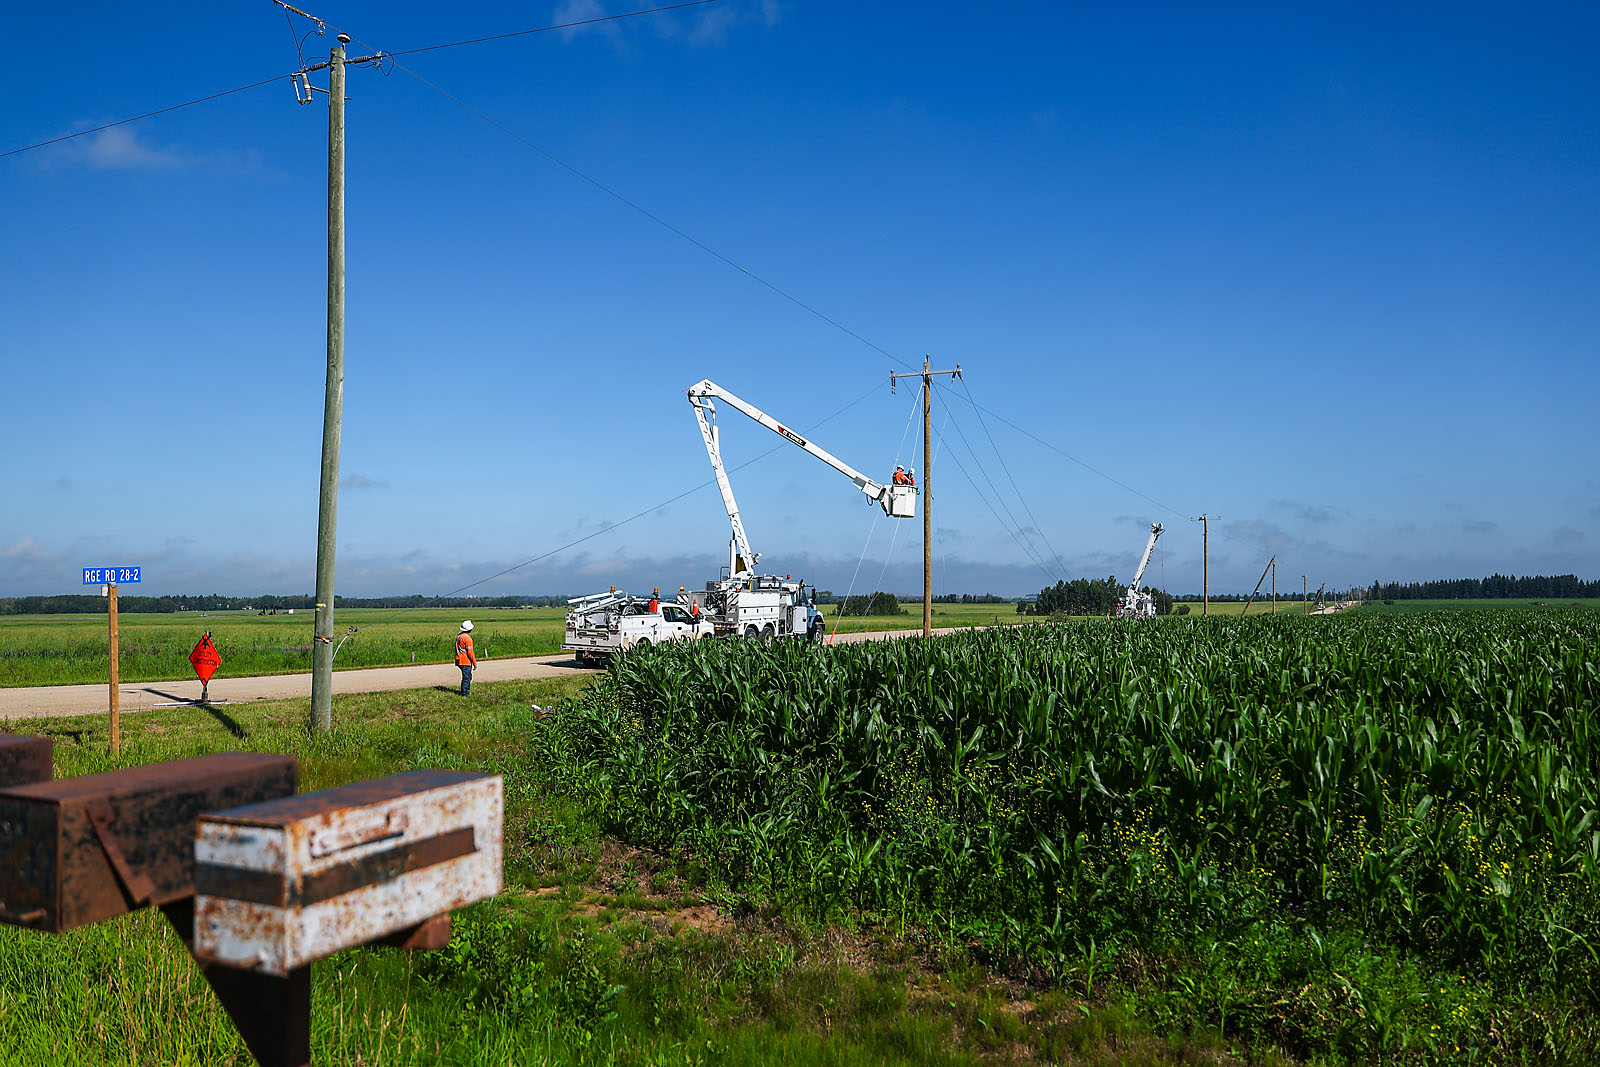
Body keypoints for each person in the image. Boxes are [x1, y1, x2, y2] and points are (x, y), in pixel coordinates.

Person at [454, 620, 477, 696]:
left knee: (467, 677)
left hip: (458, 660)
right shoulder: (468, 639)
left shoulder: (459, 636)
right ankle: (465, 694)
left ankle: (465, 691)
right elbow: (470, 652)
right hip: (465, 661)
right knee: (467, 678)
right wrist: (474, 662)